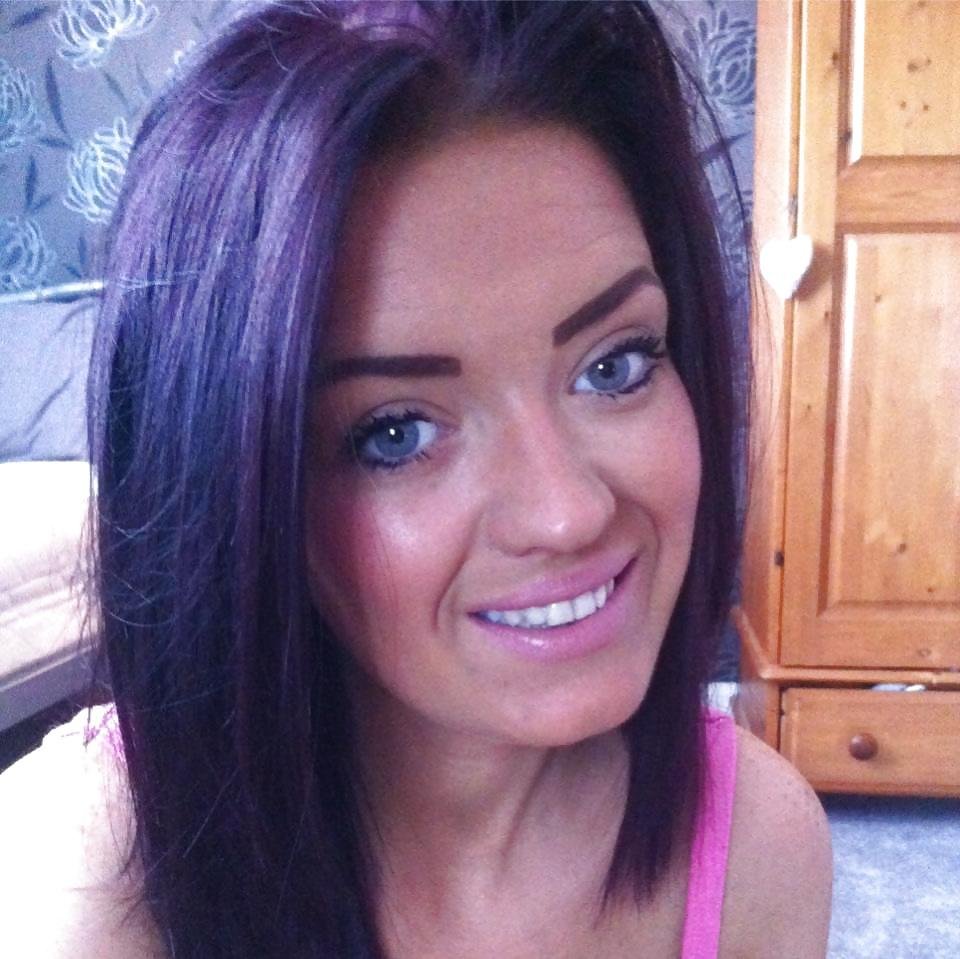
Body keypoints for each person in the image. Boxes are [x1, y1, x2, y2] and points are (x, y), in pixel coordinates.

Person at [0, 3, 832, 957]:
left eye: (615, 365)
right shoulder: (78, 869)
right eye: (395, 433)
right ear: (238, 493)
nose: (567, 512)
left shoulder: (758, 847)